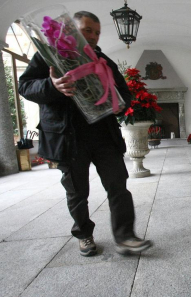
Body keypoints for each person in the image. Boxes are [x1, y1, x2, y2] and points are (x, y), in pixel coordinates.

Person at [18, 11, 152, 256]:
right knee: (77, 192)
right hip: (67, 138)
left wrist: (121, 103)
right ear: (71, 30)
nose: (93, 36)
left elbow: (124, 93)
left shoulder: (103, 60)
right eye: (87, 30)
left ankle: (125, 236)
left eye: (97, 32)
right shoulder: (48, 55)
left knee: (118, 187)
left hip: (104, 135)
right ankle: (84, 235)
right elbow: (25, 86)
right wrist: (52, 85)